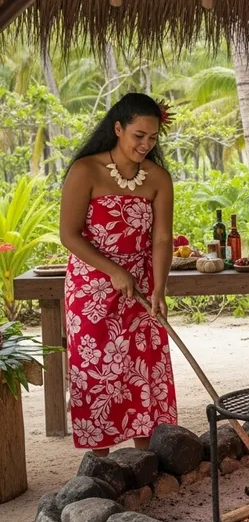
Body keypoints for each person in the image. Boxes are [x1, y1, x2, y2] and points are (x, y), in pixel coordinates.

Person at [60, 92, 177, 453]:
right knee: (98, 371)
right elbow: (69, 235)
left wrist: (159, 288)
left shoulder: (158, 178)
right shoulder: (86, 171)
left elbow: (162, 239)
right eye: (138, 135)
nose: (146, 144)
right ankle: (100, 464)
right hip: (91, 289)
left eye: (152, 137)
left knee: (144, 371)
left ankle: (147, 461)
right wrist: (113, 271)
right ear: (117, 129)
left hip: (141, 286)